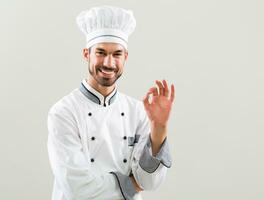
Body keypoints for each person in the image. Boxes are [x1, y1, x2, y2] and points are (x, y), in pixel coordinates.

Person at [47, 5, 175, 200]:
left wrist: (159, 128)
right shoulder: (64, 112)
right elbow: (77, 188)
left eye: (116, 54)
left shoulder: (138, 111)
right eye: (100, 52)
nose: (108, 63)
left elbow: (149, 182)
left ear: (125, 57)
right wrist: (131, 184)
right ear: (86, 54)